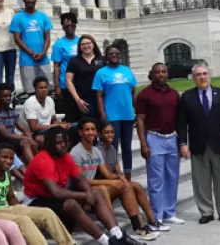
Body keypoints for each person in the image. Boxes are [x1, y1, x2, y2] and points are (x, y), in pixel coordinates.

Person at [21, 127, 136, 245]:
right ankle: (106, 242)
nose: (63, 145)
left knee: (96, 192)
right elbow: (55, 192)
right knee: (71, 204)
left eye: (65, 142)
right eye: (58, 143)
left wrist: (89, 193)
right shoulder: (43, 160)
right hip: (35, 199)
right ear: (49, 144)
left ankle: (117, 235)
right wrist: (84, 195)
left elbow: (80, 179)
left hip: (54, 196)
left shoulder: (65, 156)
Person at [73, 120, 166, 240]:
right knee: (102, 189)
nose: (91, 132)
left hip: (95, 186)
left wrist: (119, 178)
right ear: (80, 132)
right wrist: (110, 181)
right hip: (83, 190)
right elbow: (82, 181)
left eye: (92, 129)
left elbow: (107, 174)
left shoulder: (95, 151)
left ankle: (138, 226)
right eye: (87, 130)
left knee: (125, 185)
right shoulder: (76, 152)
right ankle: (116, 230)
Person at [177, 64, 220, 225]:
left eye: (205, 74)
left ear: (209, 75)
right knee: (201, 181)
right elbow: (182, 124)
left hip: (219, 144)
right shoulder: (187, 97)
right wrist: (183, 143)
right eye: (198, 75)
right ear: (193, 78)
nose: (202, 77)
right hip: (198, 145)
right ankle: (206, 212)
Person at [0, 144, 75, 245]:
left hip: (6, 208)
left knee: (46, 212)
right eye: (4, 157)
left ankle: (69, 243)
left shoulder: (7, 173)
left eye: (11, 158)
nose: (8, 161)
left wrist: (23, 209)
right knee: (23, 220)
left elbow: (11, 197)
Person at [135, 63, 186, 225]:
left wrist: (182, 142)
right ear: (152, 74)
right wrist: (143, 144)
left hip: (172, 138)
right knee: (156, 179)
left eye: (164, 72)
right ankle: (157, 214)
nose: (161, 74)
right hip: (154, 138)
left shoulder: (174, 94)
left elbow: (179, 120)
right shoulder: (144, 95)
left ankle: (170, 212)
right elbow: (140, 120)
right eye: (157, 72)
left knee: (172, 177)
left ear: (167, 74)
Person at [93, 45, 138, 180]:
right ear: (106, 56)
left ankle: (128, 177)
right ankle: (112, 177)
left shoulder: (127, 71)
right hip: (112, 116)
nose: (114, 56)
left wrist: (136, 111)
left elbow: (133, 92)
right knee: (111, 148)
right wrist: (103, 115)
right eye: (111, 53)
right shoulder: (101, 73)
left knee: (127, 148)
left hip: (128, 115)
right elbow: (99, 96)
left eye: (117, 53)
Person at [9, 0, 52, 98]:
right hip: (27, 59)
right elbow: (17, 39)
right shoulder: (18, 17)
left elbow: (47, 37)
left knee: (46, 90)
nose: (30, 0)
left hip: (43, 59)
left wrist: (43, 52)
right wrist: (31, 53)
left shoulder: (43, 16)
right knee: (31, 91)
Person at [0, 83, 36, 164]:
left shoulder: (12, 111)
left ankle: (39, 166)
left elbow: (24, 129)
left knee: (33, 142)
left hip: (10, 141)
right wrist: (27, 138)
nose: (8, 98)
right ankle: (34, 167)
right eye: (5, 96)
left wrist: (30, 139)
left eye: (9, 96)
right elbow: (6, 134)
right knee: (25, 141)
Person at [65, 34, 103, 123]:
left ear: (93, 44)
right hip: (83, 100)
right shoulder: (74, 61)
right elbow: (68, 81)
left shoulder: (102, 60)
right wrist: (78, 100)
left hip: (100, 98)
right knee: (87, 126)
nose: (86, 46)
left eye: (88, 43)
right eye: (83, 44)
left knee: (103, 126)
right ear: (79, 46)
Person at [51, 12, 80, 119]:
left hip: (81, 83)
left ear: (75, 25)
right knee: (71, 114)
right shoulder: (59, 43)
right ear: (62, 27)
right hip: (66, 85)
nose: (69, 27)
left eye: (72, 24)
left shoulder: (81, 41)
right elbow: (56, 66)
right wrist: (57, 86)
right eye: (66, 25)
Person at [23, 76, 70, 142]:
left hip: (50, 129)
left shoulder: (50, 100)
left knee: (73, 127)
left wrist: (61, 124)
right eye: (41, 88)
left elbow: (54, 120)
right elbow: (34, 127)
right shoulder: (30, 102)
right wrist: (56, 126)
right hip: (36, 133)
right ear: (35, 89)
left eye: (46, 87)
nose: (44, 90)